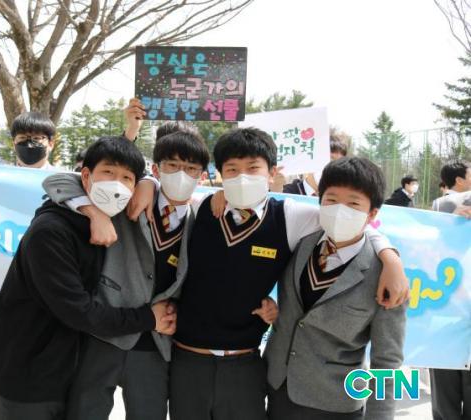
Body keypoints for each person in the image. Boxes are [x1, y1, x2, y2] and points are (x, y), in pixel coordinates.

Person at [131, 128, 406, 420]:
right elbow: (169, 193)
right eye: (232, 170)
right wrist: (148, 181)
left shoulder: (290, 218)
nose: (242, 178)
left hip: (253, 370)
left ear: (272, 172)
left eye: (253, 168)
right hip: (193, 362)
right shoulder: (201, 208)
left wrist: (390, 257)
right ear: (220, 173)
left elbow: (352, 226)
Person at [42, 129, 245, 420]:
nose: (181, 174)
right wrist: (97, 212)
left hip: (155, 343)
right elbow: (57, 181)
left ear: (202, 176)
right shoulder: (129, 198)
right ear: (156, 169)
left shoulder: (201, 219)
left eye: (191, 169)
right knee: (84, 412)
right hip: (104, 333)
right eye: (172, 166)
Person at [0, 136, 175, 420]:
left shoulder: (100, 218)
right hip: (25, 379)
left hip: (64, 374)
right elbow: (79, 312)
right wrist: (149, 318)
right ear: (86, 176)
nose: (117, 185)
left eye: (127, 178)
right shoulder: (52, 232)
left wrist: (150, 183)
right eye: (108, 172)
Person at [264, 157, 408, 420]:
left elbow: (388, 361)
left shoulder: (386, 277)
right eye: (331, 200)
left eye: (353, 204)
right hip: (277, 388)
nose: (340, 210)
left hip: (337, 403)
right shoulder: (298, 242)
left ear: (372, 214)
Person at [0, 111, 57, 338]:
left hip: (46, 282)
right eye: (23, 138)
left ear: (51, 143)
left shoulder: (65, 184)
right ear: (13, 143)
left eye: (37, 138)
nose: (29, 144)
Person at [429, 160, 471, 420]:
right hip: (448, 310)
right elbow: (428, 252)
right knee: (445, 398)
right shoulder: (443, 207)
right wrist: (451, 225)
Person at [281, 135, 348, 196]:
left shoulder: (340, 199)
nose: (333, 168)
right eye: (329, 160)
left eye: (339, 163)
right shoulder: (286, 194)